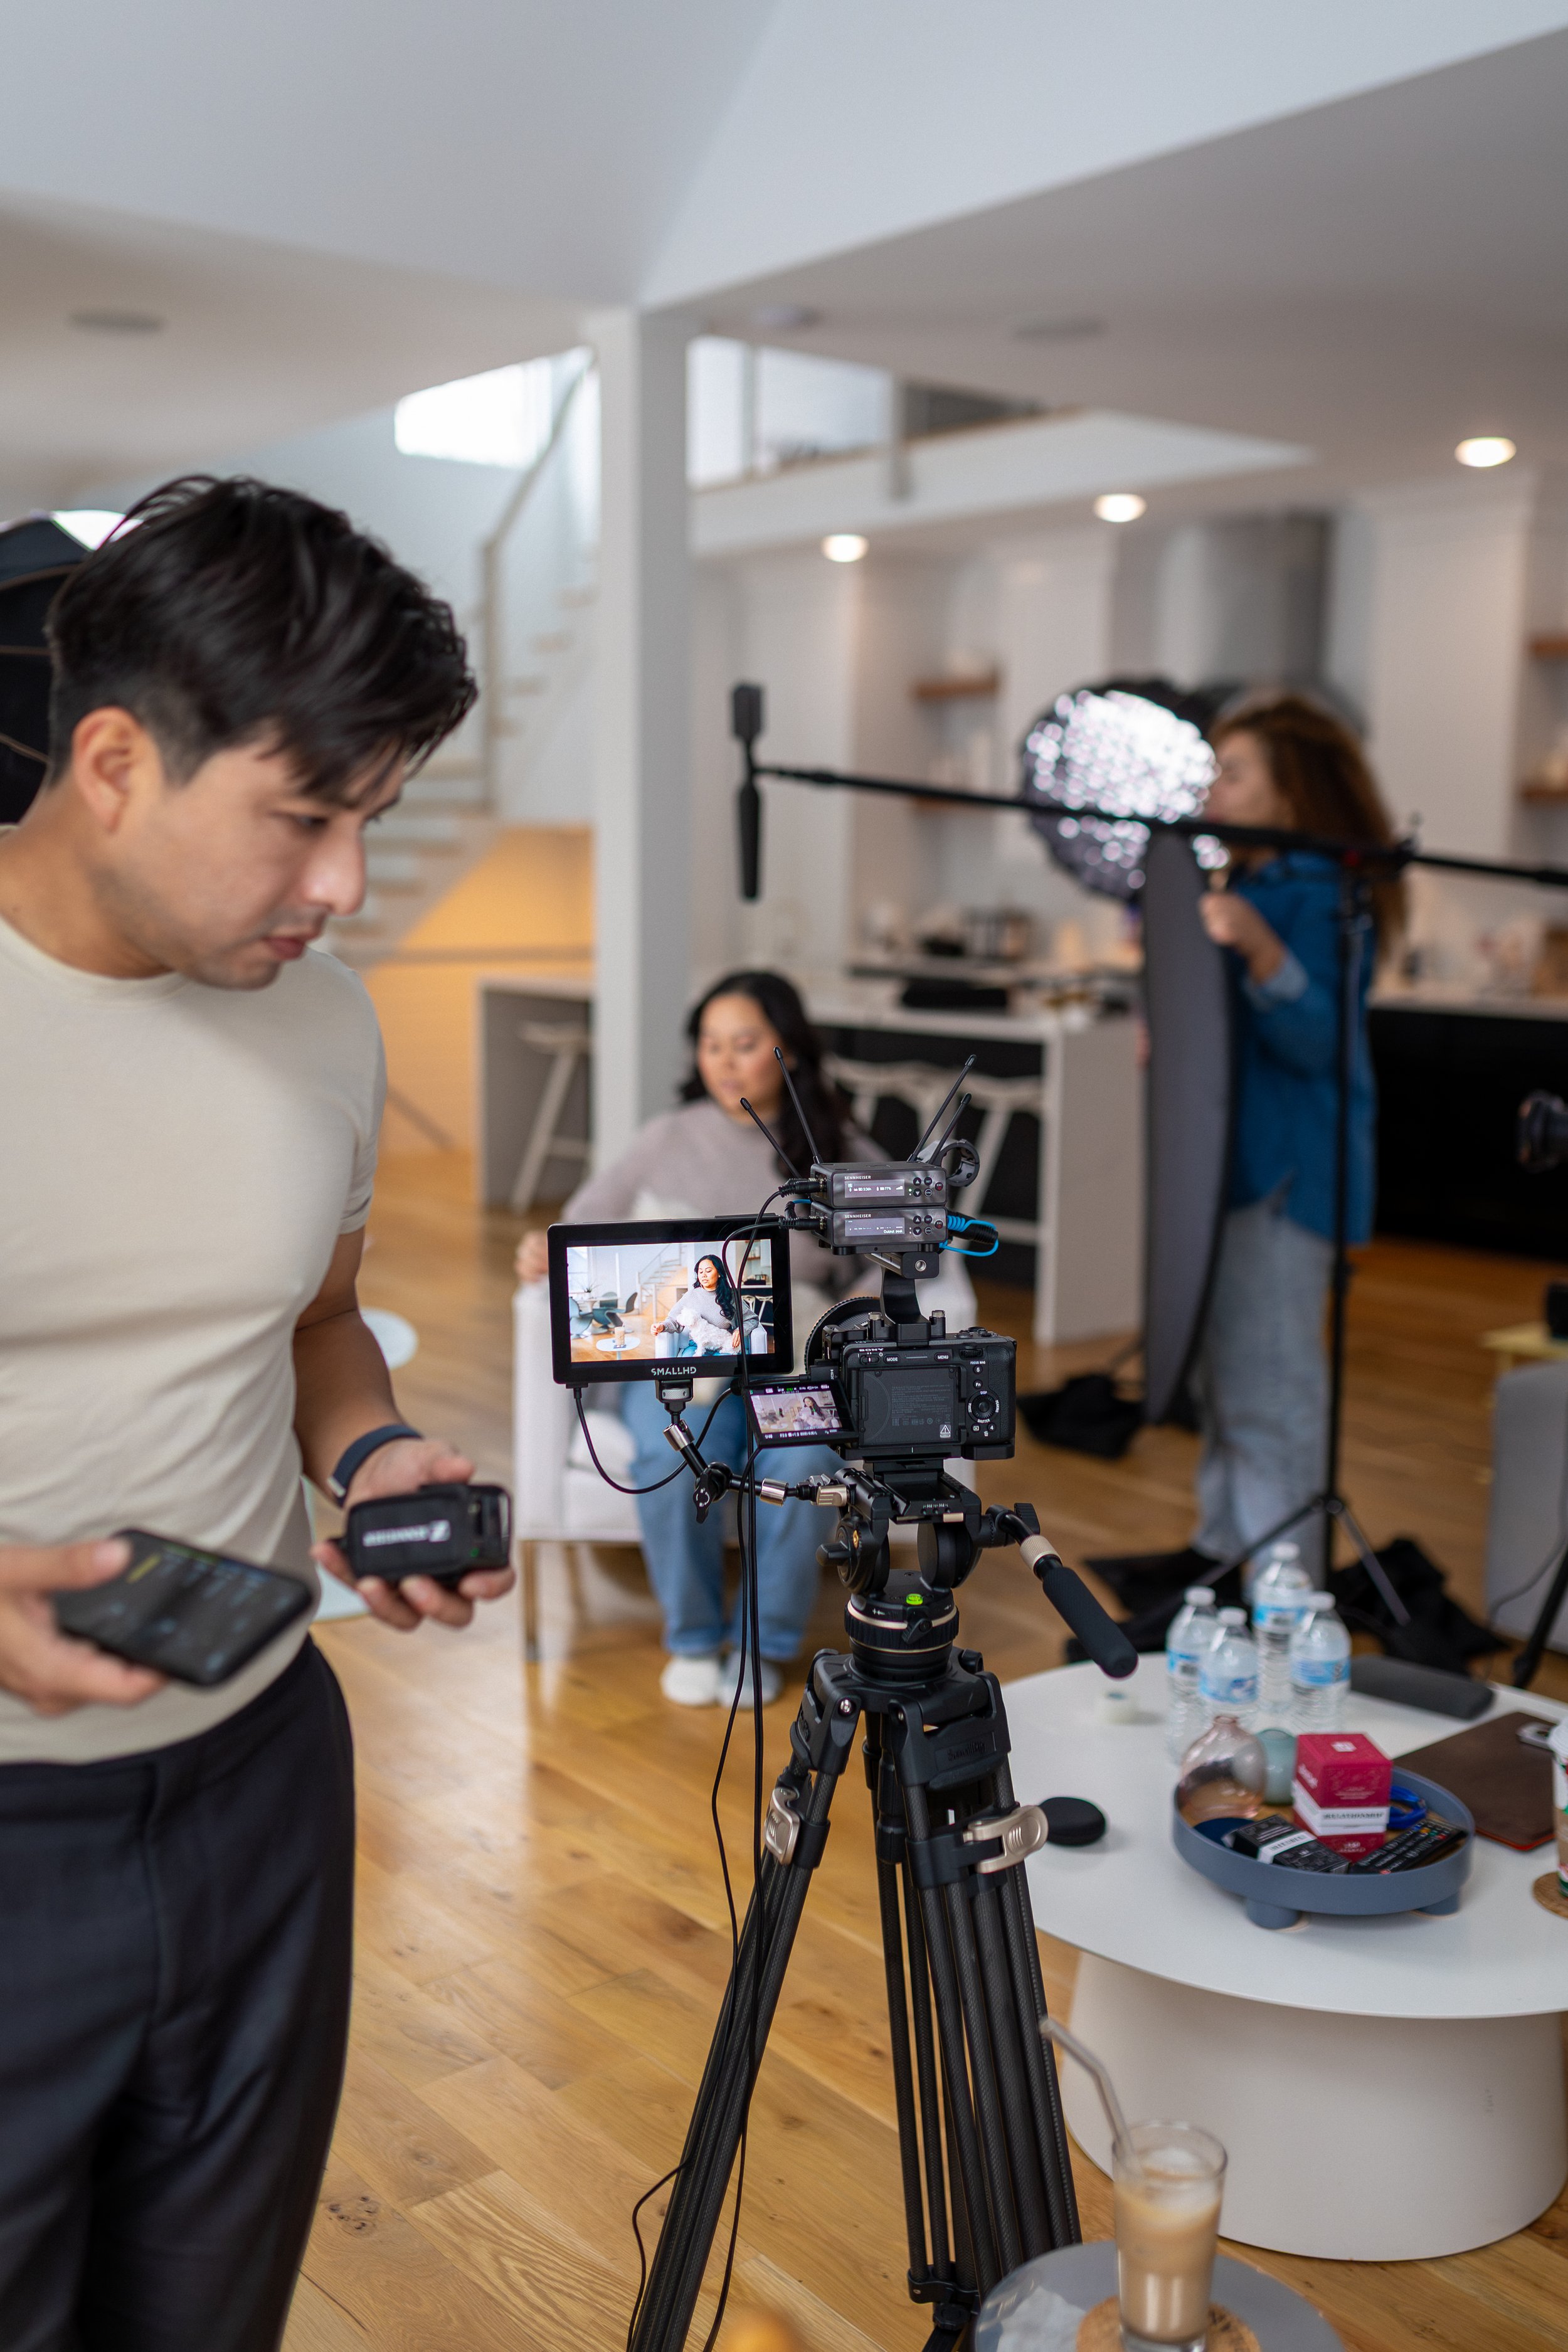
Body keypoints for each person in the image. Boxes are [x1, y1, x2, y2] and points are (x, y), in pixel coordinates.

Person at [0, 475, 514, 2351]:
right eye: (303, 818)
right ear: (116, 757)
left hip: (262, 1783)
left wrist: (373, 1452)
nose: (344, 888)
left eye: (369, 820)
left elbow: (315, 1319)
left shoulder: (320, 1021)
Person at [1108, 694, 1402, 1613]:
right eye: (1213, 770)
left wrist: (1264, 950)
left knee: (1273, 1387)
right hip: (1226, 1176)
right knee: (1226, 1377)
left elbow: (1319, 1039)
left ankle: (1287, 1594)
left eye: (1236, 771)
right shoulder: (1241, 891)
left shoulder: (1323, 897)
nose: (1214, 787)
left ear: (1292, 788)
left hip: (1288, 1181)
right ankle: (1224, 1554)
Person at [517, 970, 868, 1707]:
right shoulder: (666, 1138)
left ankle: (762, 1644)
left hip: (795, 1360)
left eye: (745, 1044)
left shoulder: (838, 1145)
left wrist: (841, 1328)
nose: (726, 1061)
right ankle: (692, 1638)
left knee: (803, 1459)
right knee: (675, 1452)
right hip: (680, 1356)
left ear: (789, 1052)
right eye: (712, 1045)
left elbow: (885, 1267)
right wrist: (539, 1251)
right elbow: (580, 1226)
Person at [657, 1253, 742, 1355]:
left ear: (719, 1273)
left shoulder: (731, 1295)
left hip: (723, 1345)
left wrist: (740, 1330)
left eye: (708, 1271)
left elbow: (751, 1319)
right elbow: (673, 1319)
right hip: (696, 1345)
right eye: (700, 1272)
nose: (703, 1275)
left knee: (725, 1367)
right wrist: (662, 1326)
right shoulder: (691, 1295)